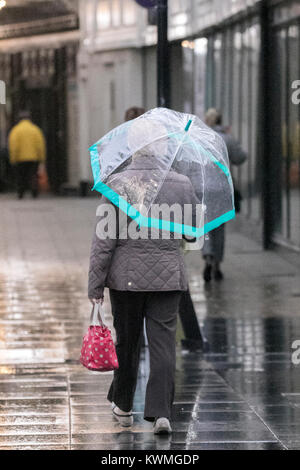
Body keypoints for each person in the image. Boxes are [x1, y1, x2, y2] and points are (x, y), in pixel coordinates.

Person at [88, 120, 200, 435]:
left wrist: (95, 285)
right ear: (164, 148)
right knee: (164, 345)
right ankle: (161, 413)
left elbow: (103, 241)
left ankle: (123, 406)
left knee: (128, 341)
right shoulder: (181, 182)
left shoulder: (117, 184)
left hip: (126, 280)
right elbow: (193, 234)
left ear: (132, 148)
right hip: (168, 278)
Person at [203, 108, 247, 281]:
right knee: (219, 227)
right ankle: (217, 264)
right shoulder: (227, 139)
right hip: (222, 189)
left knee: (205, 225)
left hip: (204, 188)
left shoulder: (201, 138)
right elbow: (240, 157)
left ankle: (207, 257)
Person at [8, 110, 46, 199]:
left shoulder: (15, 130)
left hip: (20, 159)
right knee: (33, 175)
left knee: (20, 177)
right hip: (33, 158)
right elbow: (40, 145)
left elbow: (13, 146)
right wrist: (41, 158)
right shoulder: (35, 130)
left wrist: (13, 158)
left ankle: (20, 193)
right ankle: (34, 192)